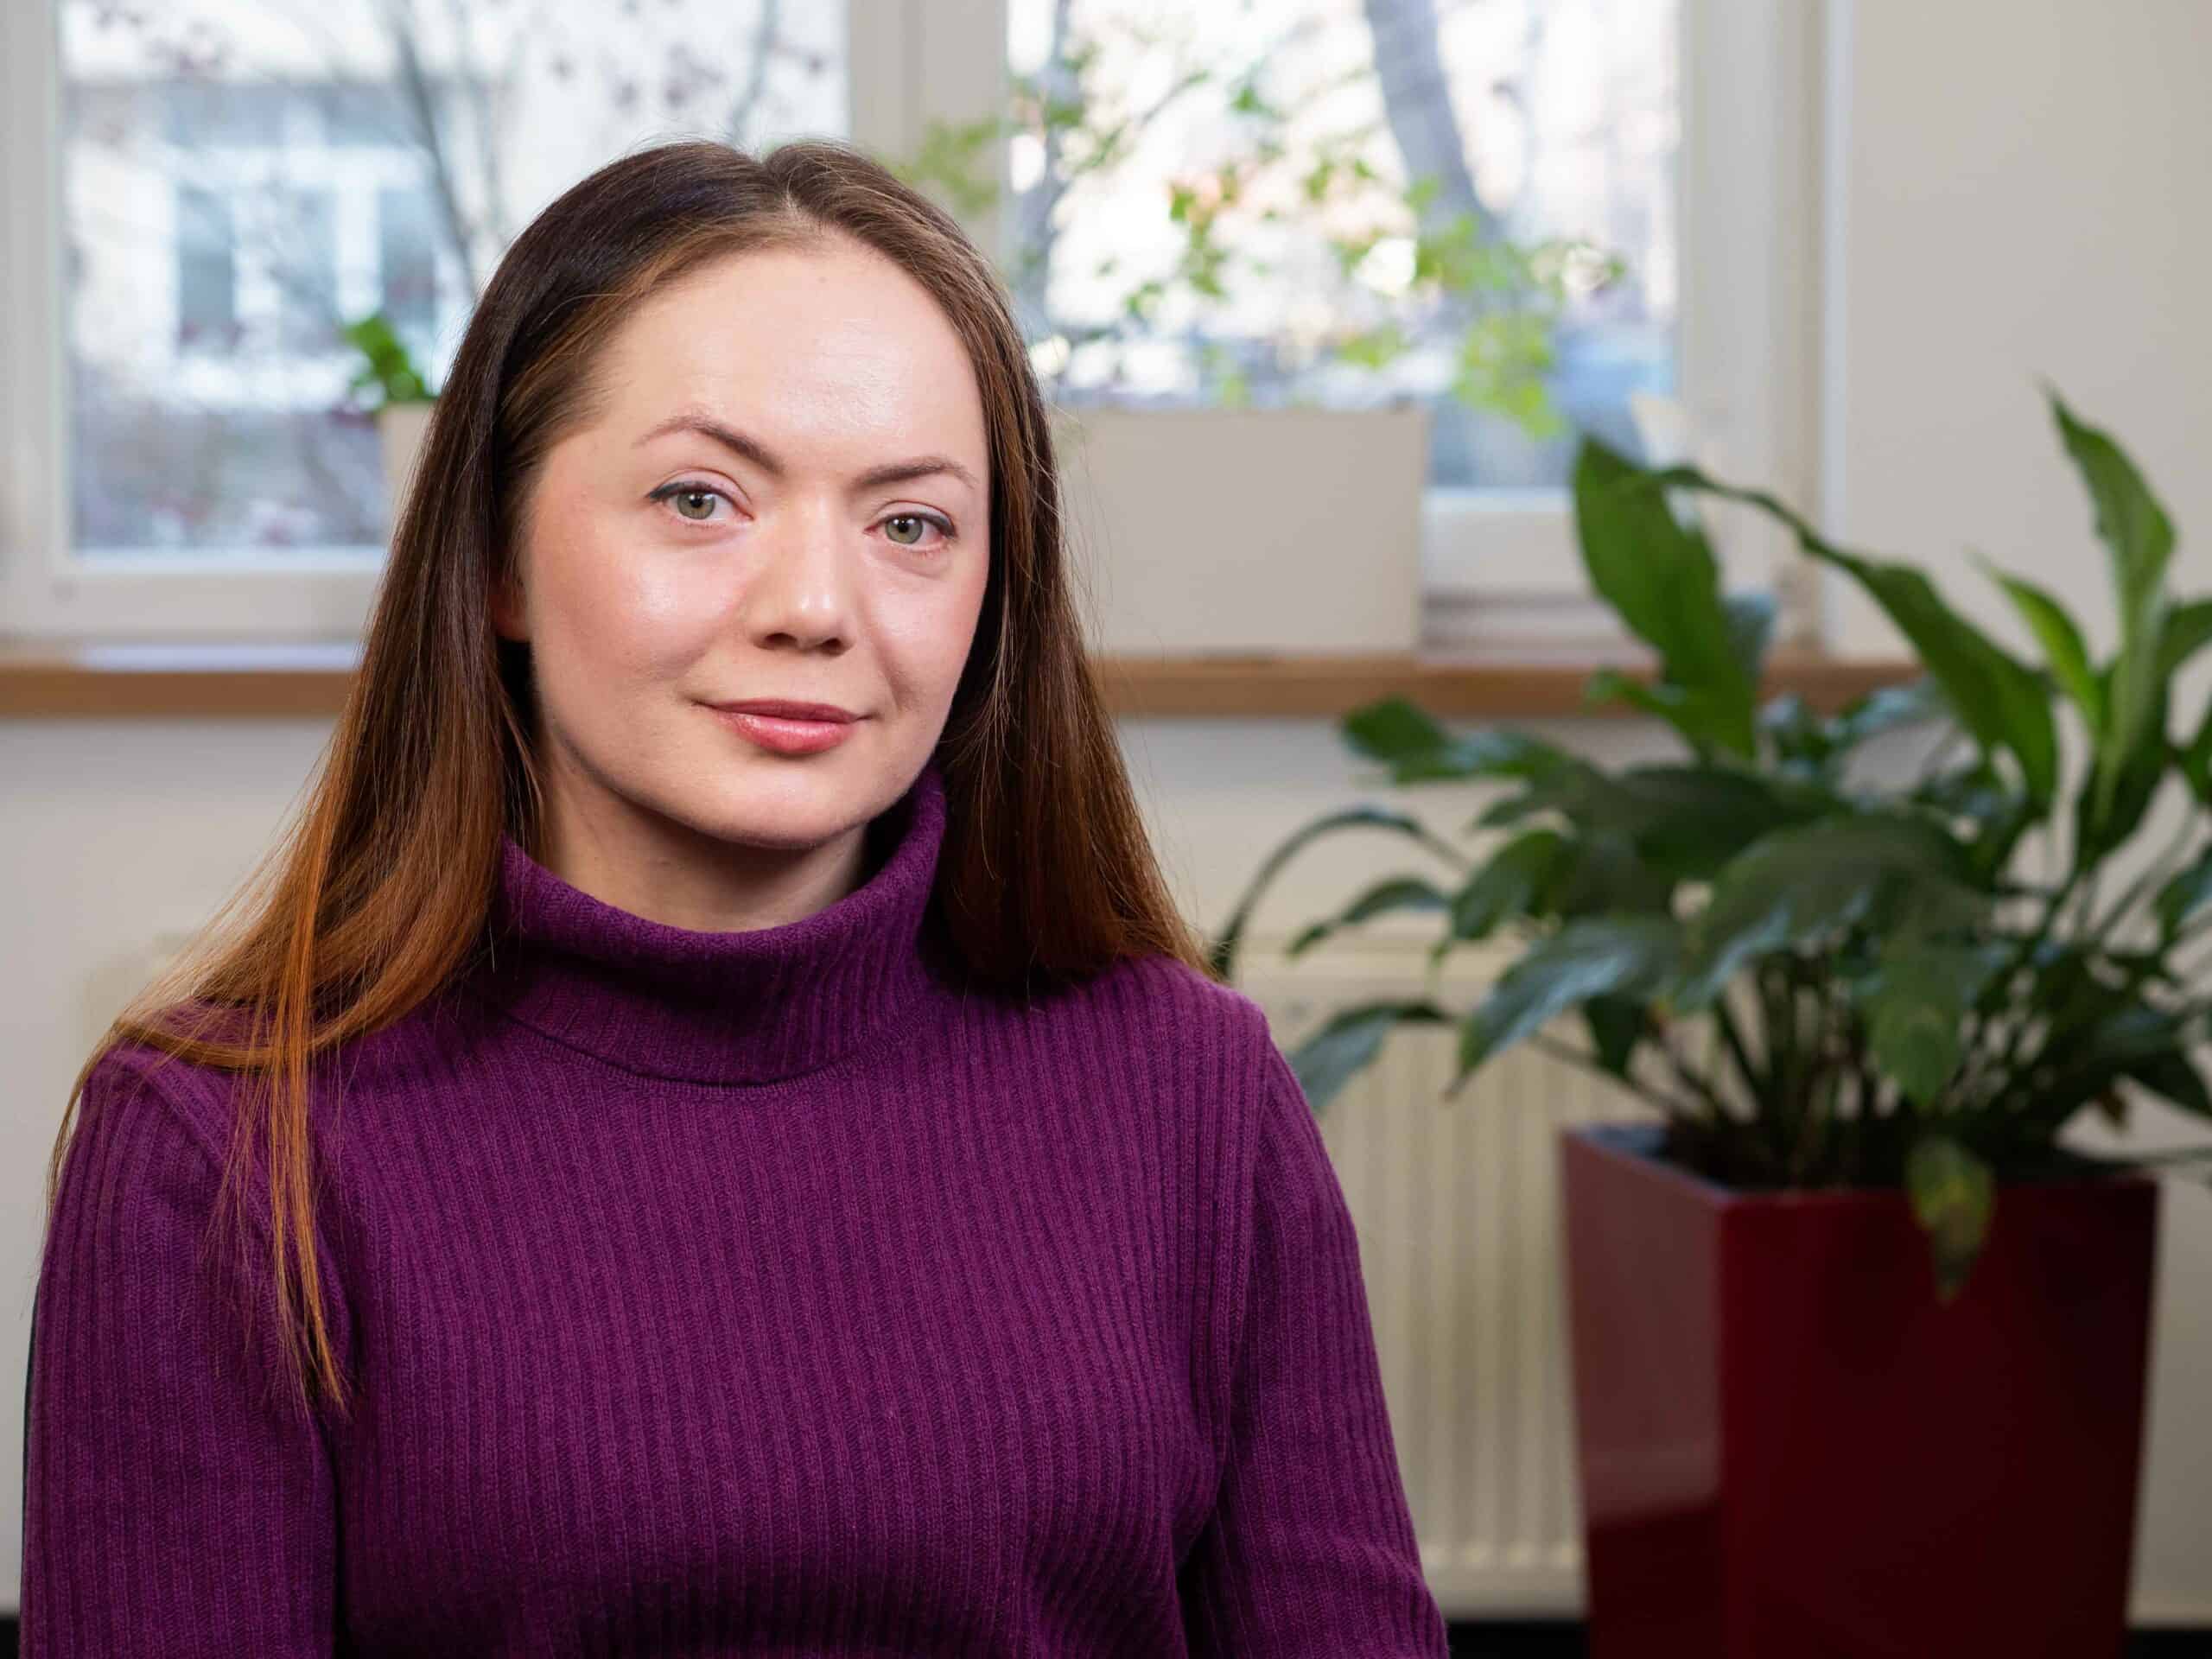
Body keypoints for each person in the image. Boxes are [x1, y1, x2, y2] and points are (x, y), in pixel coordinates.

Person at [22, 137, 1450, 1657]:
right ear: (497, 555)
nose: (817, 612)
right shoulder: (217, 1149)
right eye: (702, 500)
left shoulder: (1196, 1099)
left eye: (911, 525)